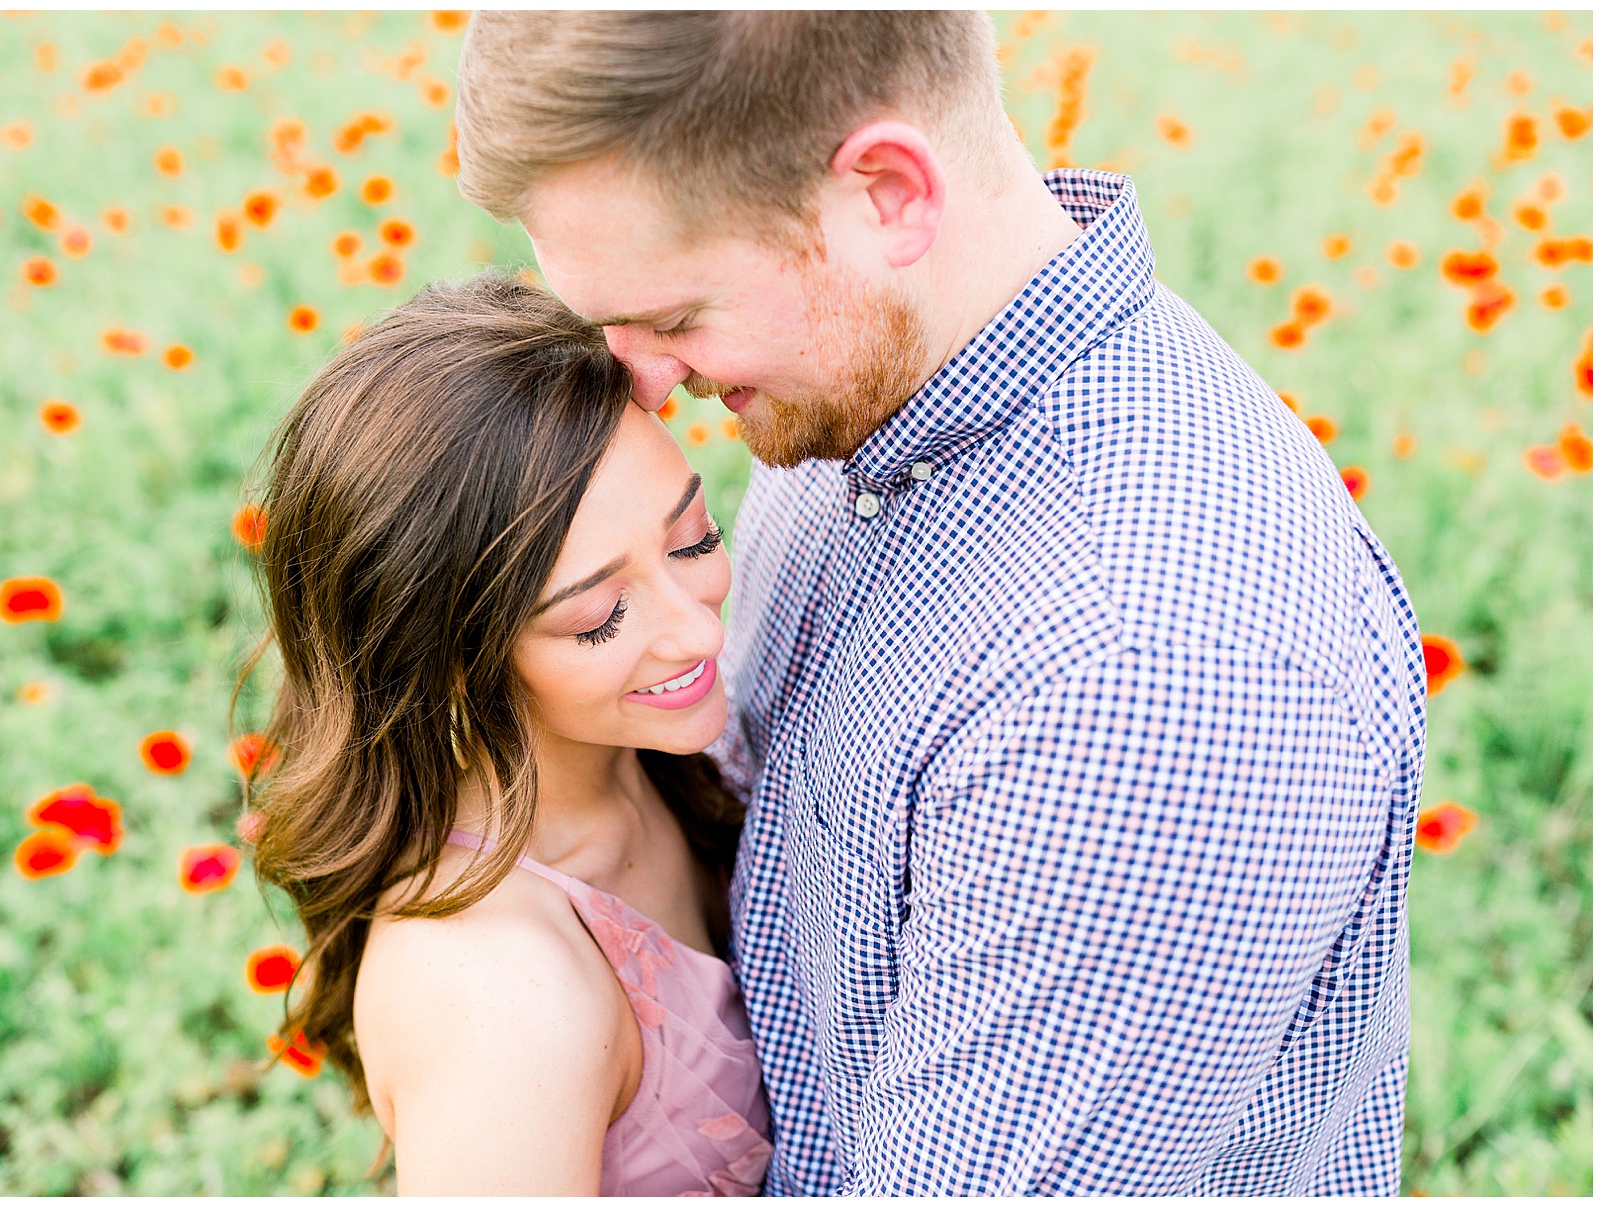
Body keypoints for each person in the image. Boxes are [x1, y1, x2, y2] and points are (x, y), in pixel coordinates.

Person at [455, 11, 1426, 1196]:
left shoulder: (1142, 672)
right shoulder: (853, 398)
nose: (643, 378)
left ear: (888, 194)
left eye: (673, 318)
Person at [244, 272, 772, 1195]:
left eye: (691, 537)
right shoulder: (501, 998)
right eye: (599, 616)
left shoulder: (641, 764)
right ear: (450, 659)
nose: (696, 632)